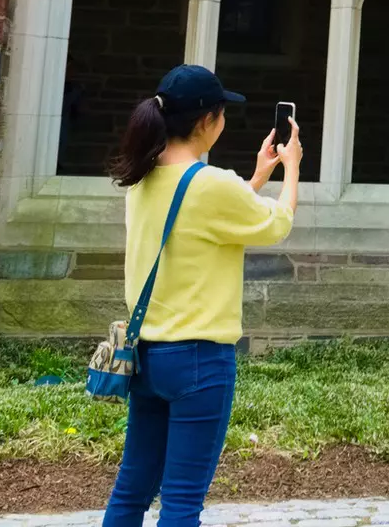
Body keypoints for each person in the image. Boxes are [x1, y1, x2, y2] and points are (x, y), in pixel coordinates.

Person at [101, 65, 301, 527]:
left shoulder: (143, 176)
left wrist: (255, 177)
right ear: (207, 121)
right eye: (222, 112)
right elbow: (277, 223)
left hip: (146, 357)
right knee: (182, 502)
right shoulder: (211, 184)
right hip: (198, 362)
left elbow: (198, 223)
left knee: (131, 490)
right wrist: (290, 169)